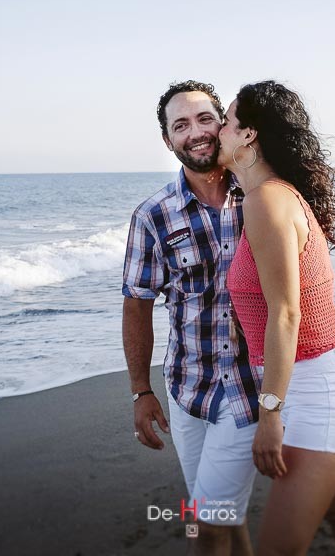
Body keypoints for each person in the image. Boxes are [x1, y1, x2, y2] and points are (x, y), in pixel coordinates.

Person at [219, 81, 335, 555]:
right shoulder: (274, 196)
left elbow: (286, 313)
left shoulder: (266, 201)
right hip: (316, 378)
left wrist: (270, 415)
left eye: (226, 121)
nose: (219, 131)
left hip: (313, 392)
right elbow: (299, 297)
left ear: (248, 135)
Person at [122, 80, 261, 555]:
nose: (196, 132)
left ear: (223, 124)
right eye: (180, 125)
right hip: (187, 392)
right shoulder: (153, 215)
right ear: (168, 141)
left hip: (249, 390)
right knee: (226, 514)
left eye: (204, 119)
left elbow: (302, 271)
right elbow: (136, 303)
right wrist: (141, 390)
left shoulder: (261, 196)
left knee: (204, 525)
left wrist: (333, 315)